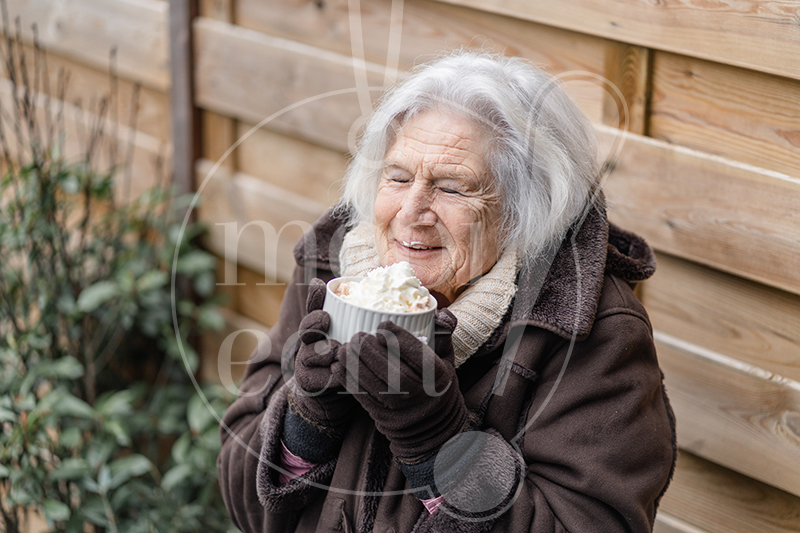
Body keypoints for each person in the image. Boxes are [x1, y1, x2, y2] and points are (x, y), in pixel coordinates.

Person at [217, 51, 676, 532]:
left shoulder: (587, 331)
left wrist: (439, 444)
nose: (412, 210)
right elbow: (240, 494)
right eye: (397, 177)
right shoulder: (332, 274)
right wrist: (305, 423)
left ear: (524, 212)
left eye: (453, 188)